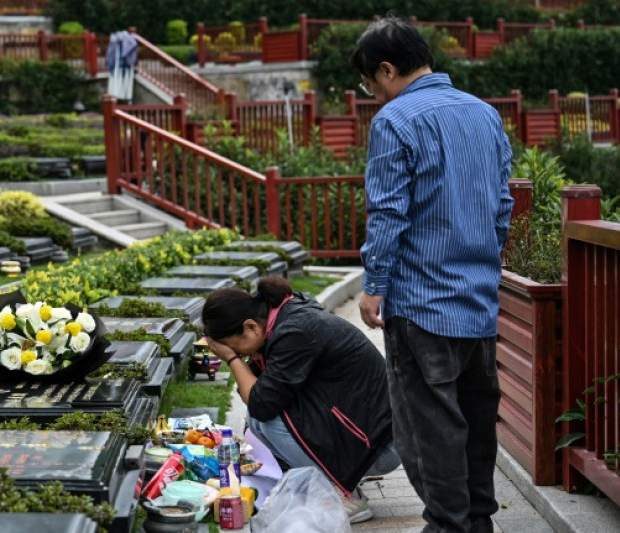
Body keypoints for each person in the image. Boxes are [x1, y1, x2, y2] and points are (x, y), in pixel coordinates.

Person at [351, 15, 514, 533]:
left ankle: (448, 526)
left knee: (429, 432)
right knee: (476, 425)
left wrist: (374, 285)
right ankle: (477, 524)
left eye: (369, 83)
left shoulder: (396, 120)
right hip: (479, 303)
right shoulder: (484, 113)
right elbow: (503, 205)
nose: (373, 94)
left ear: (386, 69)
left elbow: (389, 212)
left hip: (422, 305)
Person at [203, 275, 399, 524]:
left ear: (251, 327)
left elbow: (261, 403)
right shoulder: (284, 319)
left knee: (267, 419)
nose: (241, 354)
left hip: (381, 449)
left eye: (236, 347)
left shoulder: (294, 332)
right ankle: (331, 483)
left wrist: (232, 360)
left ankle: (344, 498)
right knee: (262, 418)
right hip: (367, 436)